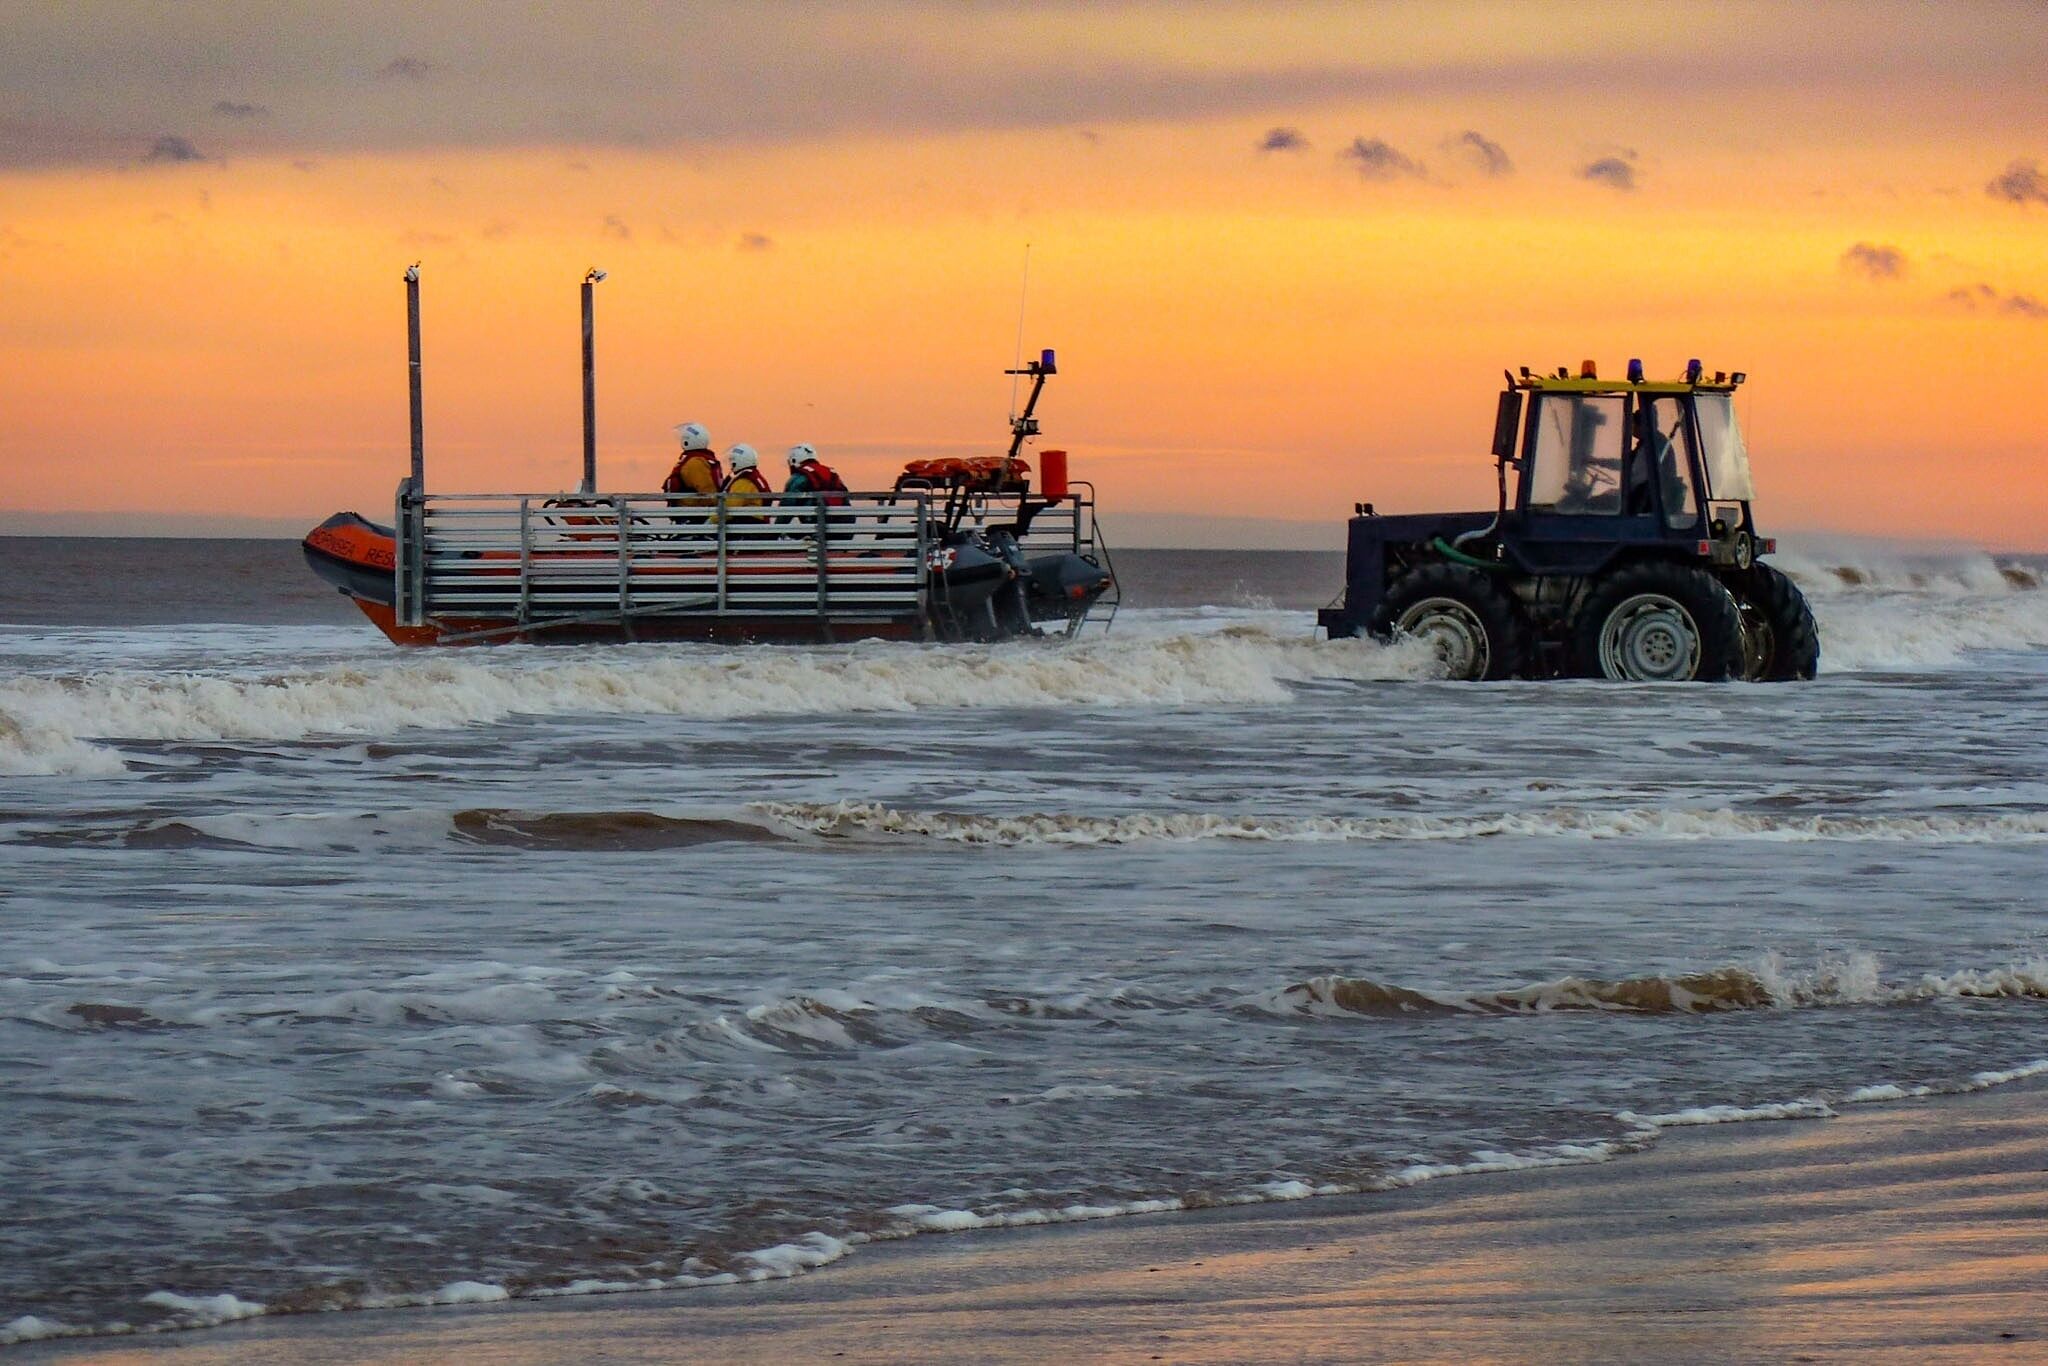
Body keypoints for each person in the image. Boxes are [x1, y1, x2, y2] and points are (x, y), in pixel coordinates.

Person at [662, 423, 724, 502]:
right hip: (695, 511)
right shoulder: (701, 460)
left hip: (693, 512)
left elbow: (709, 495)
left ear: (686, 441)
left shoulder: (695, 463)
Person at [783, 444, 850, 505]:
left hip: (816, 516)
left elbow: (787, 504)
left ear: (794, 460)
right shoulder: (831, 472)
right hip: (844, 516)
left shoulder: (798, 477)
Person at [720, 444, 773, 510]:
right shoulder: (756, 476)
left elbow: (729, 506)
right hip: (760, 516)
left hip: (749, 518)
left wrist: (711, 520)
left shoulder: (743, 481)